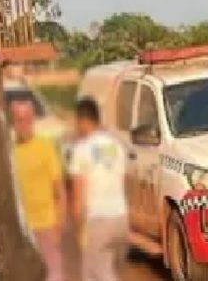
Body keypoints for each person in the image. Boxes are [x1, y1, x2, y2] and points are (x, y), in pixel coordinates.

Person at [68, 98, 128, 281]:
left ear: (83, 120)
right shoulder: (116, 146)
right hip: (120, 219)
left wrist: (77, 229)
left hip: (97, 221)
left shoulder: (81, 150)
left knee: (96, 274)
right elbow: (121, 182)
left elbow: (77, 197)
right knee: (109, 271)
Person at [10, 100, 66, 281]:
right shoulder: (10, 152)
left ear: (32, 120)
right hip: (21, 231)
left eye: (26, 119)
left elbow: (59, 190)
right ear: (13, 122)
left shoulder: (45, 147)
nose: (23, 124)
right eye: (19, 119)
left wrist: (60, 226)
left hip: (46, 225)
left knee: (53, 274)